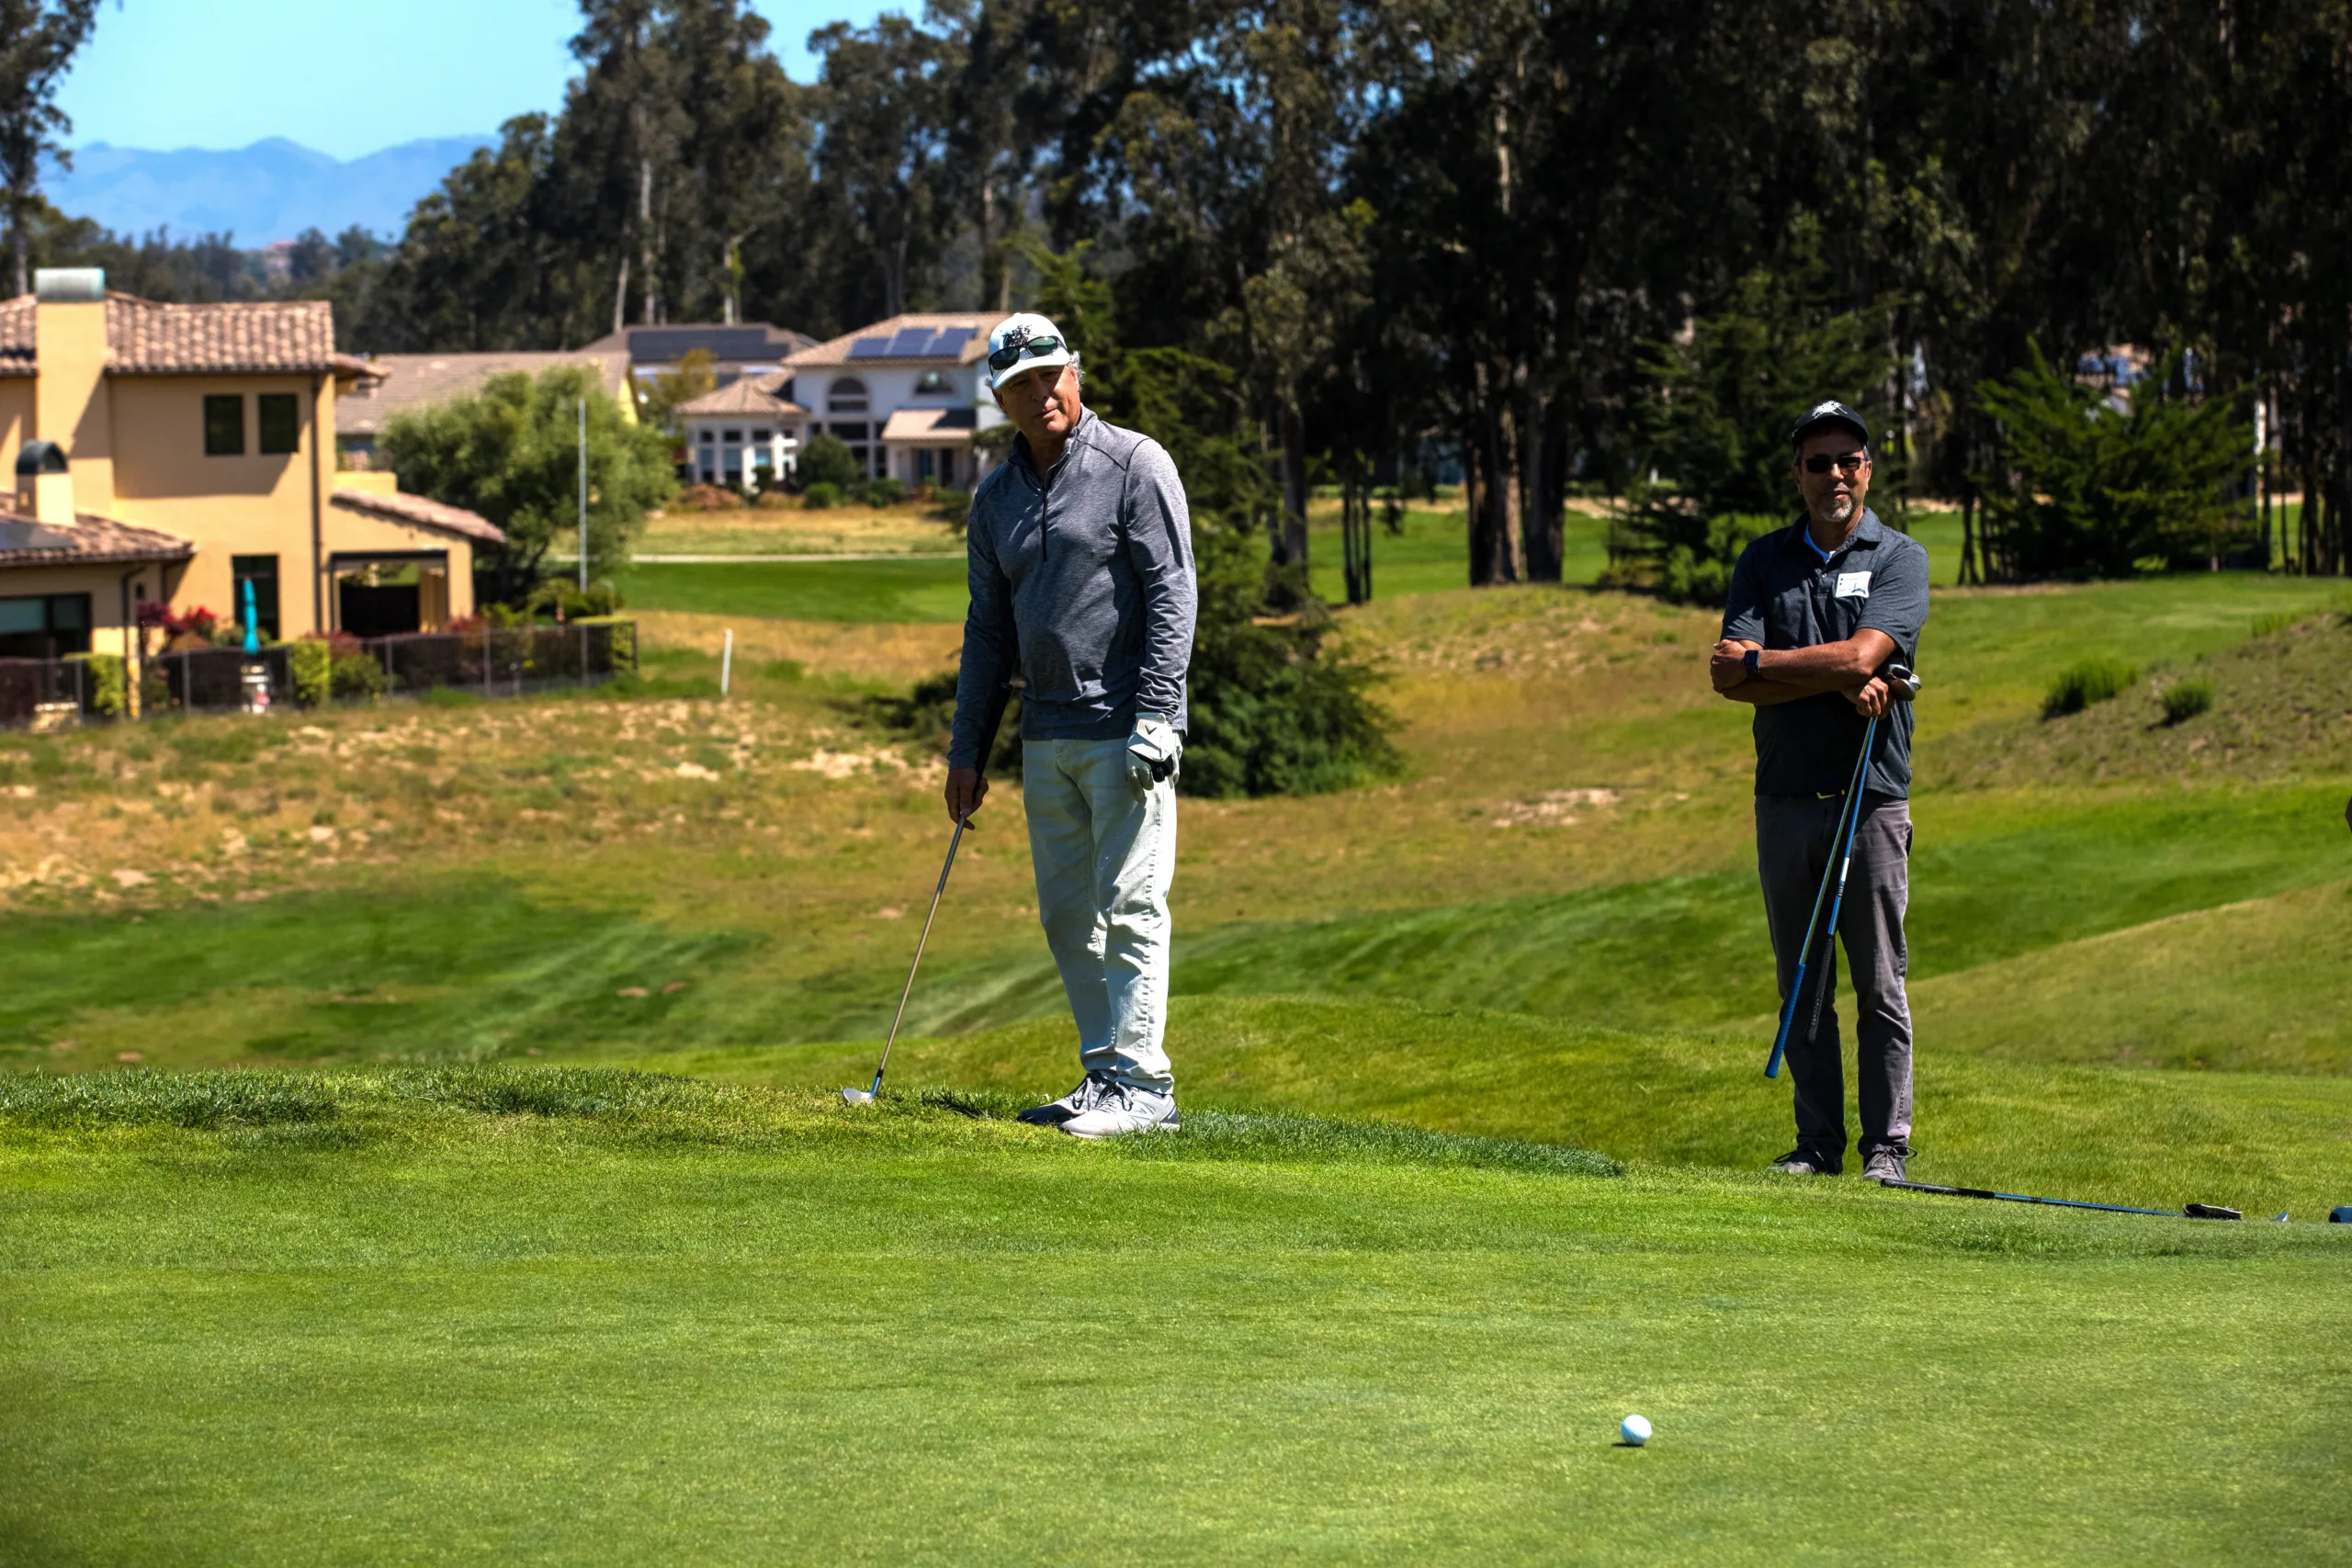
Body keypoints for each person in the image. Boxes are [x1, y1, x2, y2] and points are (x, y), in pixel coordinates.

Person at [945, 311, 1198, 1139]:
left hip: (1128, 728)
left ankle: (1145, 1084)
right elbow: (988, 631)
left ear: (1075, 373)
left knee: (1131, 902)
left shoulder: (1135, 465)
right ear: (1000, 399)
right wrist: (967, 753)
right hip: (1045, 733)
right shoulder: (996, 500)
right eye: (1020, 383)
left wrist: (1160, 713)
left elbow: (1173, 593)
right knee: (1065, 916)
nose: (1040, 391)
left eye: (1050, 374)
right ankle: (1105, 1073)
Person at [1710, 400, 1930, 1183]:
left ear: (1868, 468)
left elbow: (1866, 653)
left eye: (1848, 459)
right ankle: (1816, 1143)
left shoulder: (1901, 557)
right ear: (1798, 474)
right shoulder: (1763, 560)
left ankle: (1887, 1148)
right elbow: (1727, 674)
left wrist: (1774, 665)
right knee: (1801, 982)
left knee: (1877, 983)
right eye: (1817, 462)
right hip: (1786, 798)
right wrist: (1831, 677)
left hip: (1870, 795)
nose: (1834, 473)